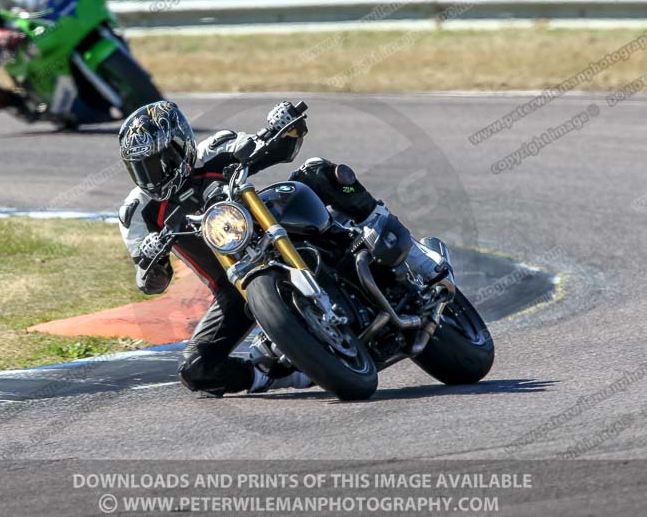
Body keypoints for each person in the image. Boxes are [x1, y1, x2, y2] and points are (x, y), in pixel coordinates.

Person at [117, 100, 429, 397]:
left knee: (316, 171)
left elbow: (280, 148)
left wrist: (286, 126)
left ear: (181, 145)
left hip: (274, 230)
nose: (153, 175)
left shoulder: (215, 149)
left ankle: (416, 256)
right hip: (233, 288)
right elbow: (149, 283)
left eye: (158, 162)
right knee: (195, 369)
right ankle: (276, 372)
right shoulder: (137, 213)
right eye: (141, 168)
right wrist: (152, 257)